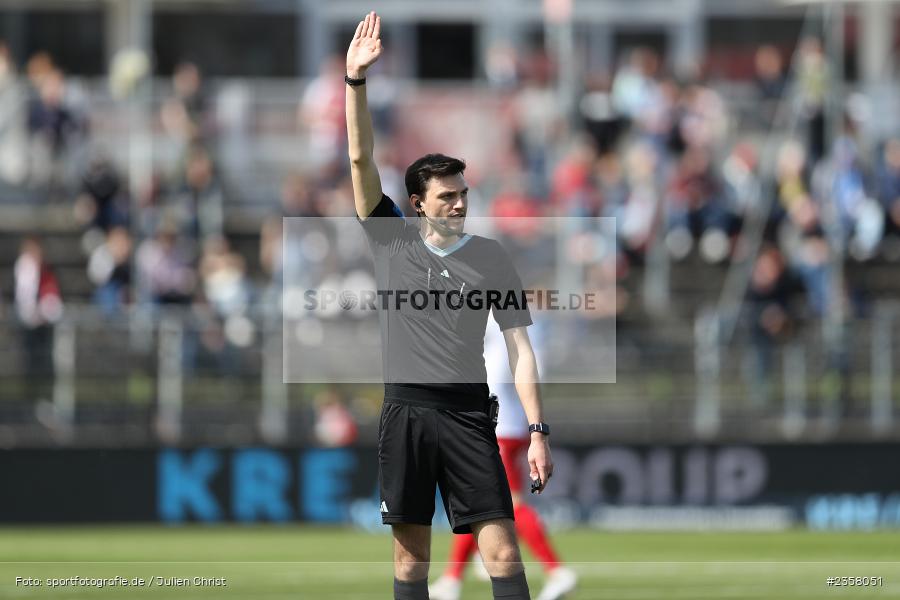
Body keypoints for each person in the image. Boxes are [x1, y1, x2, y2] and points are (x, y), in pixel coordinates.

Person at [345, 12, 552, 600]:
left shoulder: (491, 259)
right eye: (448, 197)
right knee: (411, 560)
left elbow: (520, 349)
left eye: (464, 195)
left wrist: (537, 430)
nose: (460, 205)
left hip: (469, 416)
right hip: (405, 414)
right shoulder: (392, 242)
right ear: (418, 203)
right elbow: (361, 163)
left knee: (502, 549)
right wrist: (355, 84)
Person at [430, 315, 577, 600]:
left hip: (499, 427)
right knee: (477, 501)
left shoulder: (494, 318)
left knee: (506, 504)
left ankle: (556, 570)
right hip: (510, 423)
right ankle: (452, 579)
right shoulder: (521, 325)